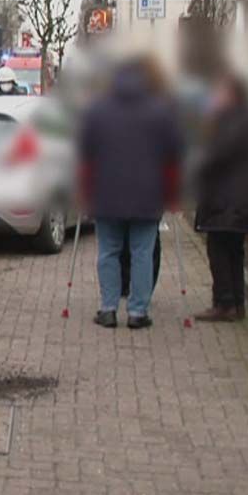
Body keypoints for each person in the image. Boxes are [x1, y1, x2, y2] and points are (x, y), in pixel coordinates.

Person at [79, 58, 183, 329]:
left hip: (106, 195)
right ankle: (138, 312)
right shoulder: (160, 111)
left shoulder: (97, 110)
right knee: (142, 253)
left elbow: (85, 155)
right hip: (147, 196)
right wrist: (172, 194)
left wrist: (84, 192)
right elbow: (173, 156)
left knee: (108, 252)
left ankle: (108, 309)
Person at [192, 73, 248, 322]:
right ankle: (236, 302)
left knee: (219, 249)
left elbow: (216, 155)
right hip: (237, 200)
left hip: (226, 200)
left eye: (219, 93)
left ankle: (225, 303)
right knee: (233, 250)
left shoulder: (232, 122)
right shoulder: (244, 119)